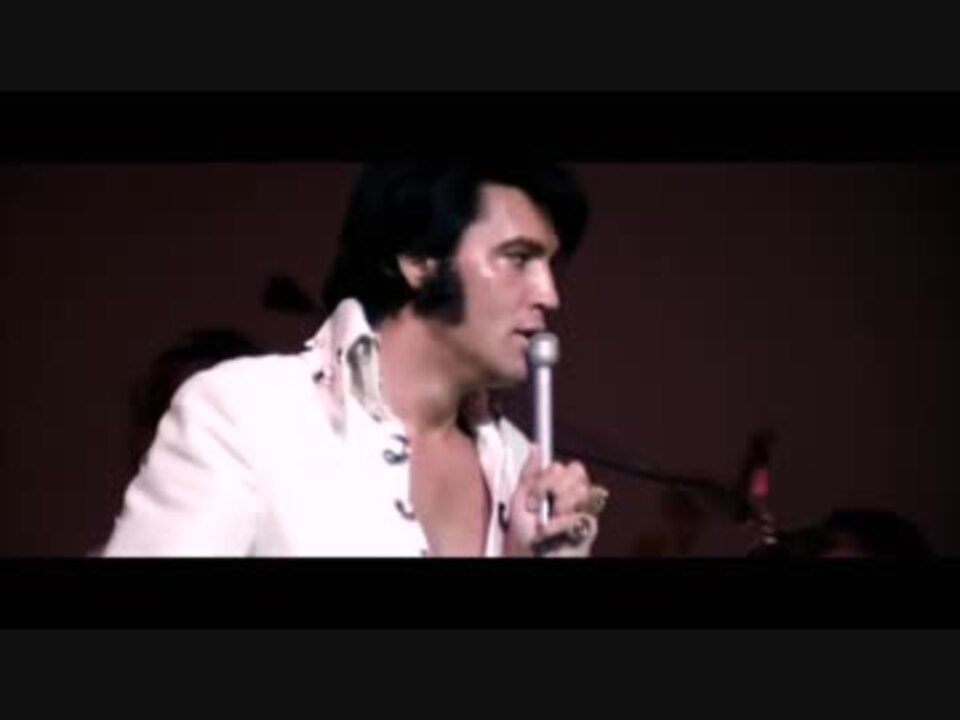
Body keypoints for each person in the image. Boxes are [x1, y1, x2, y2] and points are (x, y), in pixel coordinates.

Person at [102, 163, 608, 557]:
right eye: (519, 258)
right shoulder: (246, 414)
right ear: (417, 258)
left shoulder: (522, 469)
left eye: (551, 265)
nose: (549, 294)